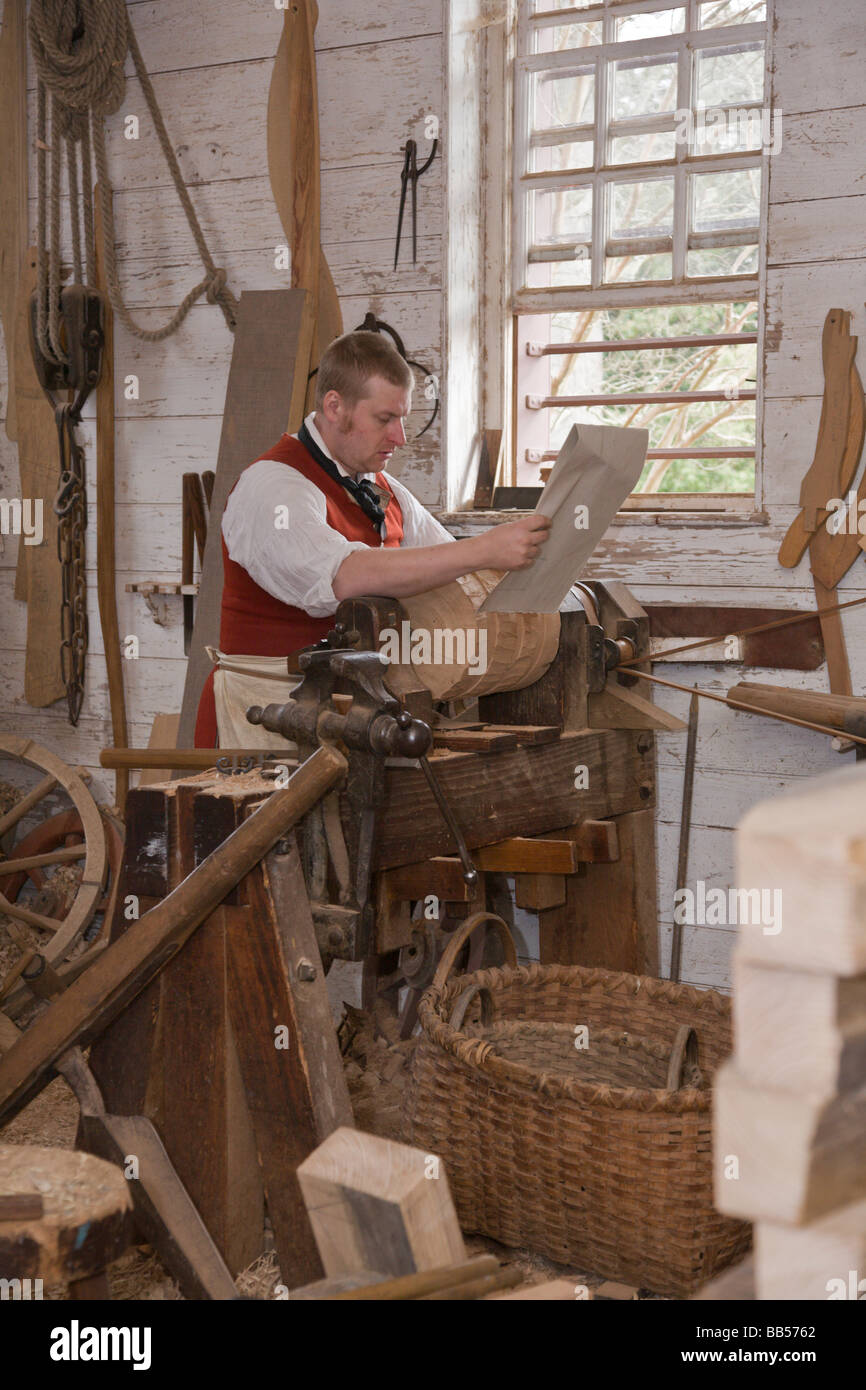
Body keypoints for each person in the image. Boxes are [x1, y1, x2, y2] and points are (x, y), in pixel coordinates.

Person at [194, 330, 550, 746]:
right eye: (385, 419)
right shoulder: (272, 486)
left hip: (352, 715)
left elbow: (447, 564)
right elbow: (343, 576)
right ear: (334, 406)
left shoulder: (386, 491)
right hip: (266, 713)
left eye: (402, 418)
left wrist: (514, 555)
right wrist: (485, 548)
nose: (399, 437)